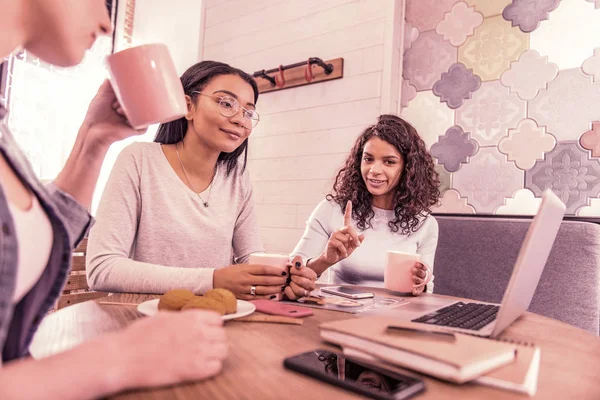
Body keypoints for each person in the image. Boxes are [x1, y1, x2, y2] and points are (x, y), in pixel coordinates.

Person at [0, 1, 226, 398]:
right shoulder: (142, 160)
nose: (107, 22)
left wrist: (94, 139)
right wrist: (119, 357)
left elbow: (28, 244)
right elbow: (103, 268)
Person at [86, 60, 316, 300]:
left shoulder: (236, 176)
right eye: (227, 103)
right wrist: (213, 280)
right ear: (188, 106)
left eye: (248, 112)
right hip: (141, 321)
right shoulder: (139, 159)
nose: (241, 119)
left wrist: (284, 273)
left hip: (213, 319)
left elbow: (250, 256)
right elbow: (102, 268)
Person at [291, 115, 440, 296]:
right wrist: (325, 259)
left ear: (409, 169)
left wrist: (420, 283)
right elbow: (293, 273)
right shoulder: (332, 210)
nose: (374, 170)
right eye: (368, 159)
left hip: (397, 316)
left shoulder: (425, 224)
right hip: (343, 314)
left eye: (389, 162)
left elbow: (426, 289)